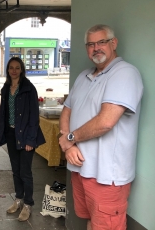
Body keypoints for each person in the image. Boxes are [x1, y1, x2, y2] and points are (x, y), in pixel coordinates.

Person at [59, 24, 143, 230]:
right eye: (90, 44)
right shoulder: (83, 76)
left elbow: (105, 122)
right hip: (82, 170)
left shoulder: (125, 73)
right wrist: (68, 145)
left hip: (107, 176)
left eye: (101, 42)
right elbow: (67, 111)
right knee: (90, 221)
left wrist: (69, 139)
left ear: (113, 43)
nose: (95, 48)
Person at [0, 57, 45, 222]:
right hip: (11, 135)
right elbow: (4, 113)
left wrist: (31, 140)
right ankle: (18, 199)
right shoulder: (6, 88)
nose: (14, 71)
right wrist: (1, 132)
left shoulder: (28, 89)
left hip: (25, 136)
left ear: (22, 70)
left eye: (17, 68)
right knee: (16, 170)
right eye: (11, 68)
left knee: (25, 172)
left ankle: (28, 204)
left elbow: (33, 116)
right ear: (8, 70)